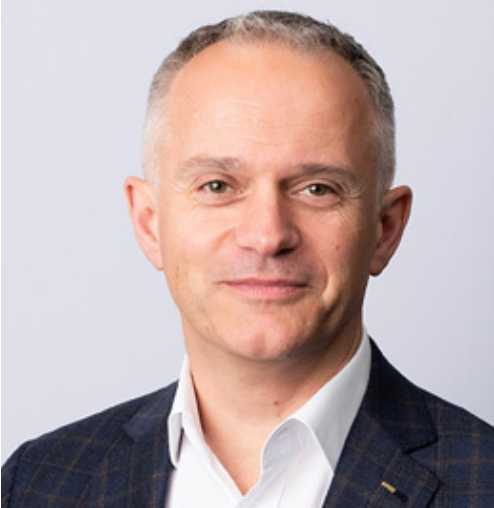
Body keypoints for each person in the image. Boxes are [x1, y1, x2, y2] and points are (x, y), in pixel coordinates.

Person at [3, 10, 494, 507]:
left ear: (385, 229)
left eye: (317, 189)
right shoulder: (36, 485)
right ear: (149, 223)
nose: (267, 235)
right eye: (217, 186)